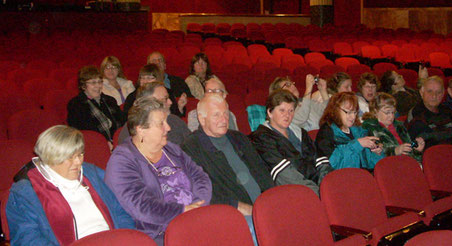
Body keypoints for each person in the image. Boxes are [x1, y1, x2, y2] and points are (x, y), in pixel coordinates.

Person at [105, 97, 211, 245]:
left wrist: (197, 205)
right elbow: (141, 205)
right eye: (161, 123)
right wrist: (182, 211)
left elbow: (200, 176)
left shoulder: (171, 149)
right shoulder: (122, 161)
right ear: (141, 129)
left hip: (195, 218)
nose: (168, 128)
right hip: (161, 234)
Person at [7, 125, 134, 246]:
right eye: (70, 157)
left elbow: (119, 212)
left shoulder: (92, 173)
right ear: (49, 158)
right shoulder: (25, 192)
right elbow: (27, 240)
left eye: (80, 154)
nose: (79, 162)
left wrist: (126, 240)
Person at [181, 94, 274, 245]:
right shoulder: (191, 148)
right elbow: (201, 194)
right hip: (233, 214)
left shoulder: (239, 138)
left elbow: (263, 173)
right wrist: (238, 206)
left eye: (226, 113)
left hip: (263, 206)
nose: (224, 119)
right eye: (216, 115)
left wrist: (270, 201)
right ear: (201, 118)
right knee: (255, 228)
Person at [249, 89, 332, 195]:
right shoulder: (261, 138)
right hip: (291, 192)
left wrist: (326, 187)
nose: (287, 115)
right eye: (282, 110)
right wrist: (317, 192)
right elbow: (284, 176)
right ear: (270, 112)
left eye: (291, 110)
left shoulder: (300, 133)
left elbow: (320, 160)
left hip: (317, 187)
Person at [316, 92, 384, 170]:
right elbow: (331, 164)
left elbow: (372, 165)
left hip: (363, 176)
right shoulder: (326, 132)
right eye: (348, 112)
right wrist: (357, 145)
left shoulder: (359, 131)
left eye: (355, 112)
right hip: (343, 179)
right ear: (335, 110)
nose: (353, 117)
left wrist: (376, 153)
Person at [247, 75, 328, 134]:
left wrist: (323, 90)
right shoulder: (284, 111)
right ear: (279, 92)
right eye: (288, 85)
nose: (293, 86)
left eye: (292, 83)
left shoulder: (303, 101)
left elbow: (328, 112)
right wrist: (309, 89)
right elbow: (301, 118)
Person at [67, 66, 125, 149]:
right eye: (93, 83)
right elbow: (80, 133)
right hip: (94, 146)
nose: (98, 86)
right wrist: (103, 143)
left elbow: (121, 123)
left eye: (100, 82)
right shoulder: (76, 105)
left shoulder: (110, 100)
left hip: (118, 144)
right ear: (83, 85)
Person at [118, 81, 191, 146]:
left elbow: (194, 148)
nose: (170, 102)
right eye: (165, 99)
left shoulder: (174, 120)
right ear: (149, 103)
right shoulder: (131, 132)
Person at [362, 93, 425, 162]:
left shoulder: (399, 126)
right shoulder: (369, 128)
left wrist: (417, 150)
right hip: (391, 167)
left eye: (393, 112)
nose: (391, 116)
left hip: (408, 163)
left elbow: (409, 149)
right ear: (375, 111)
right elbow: (374, 155)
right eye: (387, 112)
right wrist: (395, 151)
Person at [407, 76, 452, 148]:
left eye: (438, 92)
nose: (434, 96)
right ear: (421, 93)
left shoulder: (449, 112)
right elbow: (413, 145)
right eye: (430, 91)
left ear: (443, 94)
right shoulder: (416, 114)